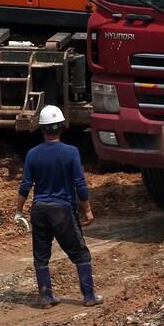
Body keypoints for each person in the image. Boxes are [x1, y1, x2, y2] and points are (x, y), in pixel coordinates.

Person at [13, 105, 100, 308]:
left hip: (39, 211)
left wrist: (18, 211)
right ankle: (89, 296)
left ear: (42, 128)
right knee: (80, 254)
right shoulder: (71, 152)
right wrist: (87, 209)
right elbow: (79, 184)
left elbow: (25, 185)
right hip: (62, 211)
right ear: (61, 126)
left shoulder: (33, 154)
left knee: (41, 256)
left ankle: (46, 298)